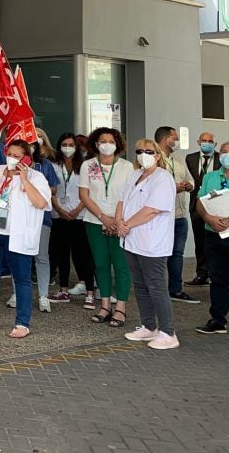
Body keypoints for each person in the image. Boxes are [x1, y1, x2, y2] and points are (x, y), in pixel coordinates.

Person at [0, 140, 51, 339]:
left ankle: (22, 322)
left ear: (27, 158)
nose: (12, 158)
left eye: (18, 155)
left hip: (18, 236)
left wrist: (25, 179)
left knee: (21, 278)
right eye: (10, 154)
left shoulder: (35, 177)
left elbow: (41, 203)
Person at [117, 139, 179, 349]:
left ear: (158, 155)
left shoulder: (163, 178)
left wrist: (126, 224)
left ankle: (168, 332)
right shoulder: (135, 175)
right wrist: (119, 222)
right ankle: (149, 326)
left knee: (156, 286)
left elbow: (152, 209)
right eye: (139, 151)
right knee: (141, 286)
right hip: (131, 239)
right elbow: (121, 200)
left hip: (152, 241)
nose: (144, 154)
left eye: (149, 151)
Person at [78, 127, 134, 328]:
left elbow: (129, 196)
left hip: (120, 222)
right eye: (103, 140)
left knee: (121, 266)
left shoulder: (127, 167)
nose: (107, 144)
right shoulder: (88, 165)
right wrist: (103, 217)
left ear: (117, 144)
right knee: (101, 264)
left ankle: (120, 307)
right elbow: (84, 195)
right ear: (96, 144)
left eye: (111, 140)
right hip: (94, 221)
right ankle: (104, 305)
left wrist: (116, 220)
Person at [12, 128, 59, 314]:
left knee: (41, 257)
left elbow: (53, 189)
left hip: (42, 219)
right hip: (18, 220)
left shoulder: (44, 165)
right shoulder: (10, 167)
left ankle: (43, 295)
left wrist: (34, 185)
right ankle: (17, 294)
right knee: (18, 256)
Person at [153, 126, 199, 304]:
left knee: (177, 254)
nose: (177, 141)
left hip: (180, 215)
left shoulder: (179, 159)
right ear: (166, 139)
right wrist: (174, 187)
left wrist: (189, 185)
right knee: (158, 255)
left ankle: (176, 290)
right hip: (161, 216)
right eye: (175, 138)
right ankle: (156, 290)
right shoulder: (154, 159)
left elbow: (191, 180)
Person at [49, 133, 95, 307]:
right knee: (62, 254)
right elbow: (51, 190)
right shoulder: (54, 166)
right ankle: (63, 290)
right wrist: (59, 209)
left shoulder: (85, 166)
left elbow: (89, 191)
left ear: (76, 147)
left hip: (80, 215)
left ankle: (90, 292)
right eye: (64, 144)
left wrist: (77, 210)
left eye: (71, 144)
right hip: (59, 215)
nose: (67, 148)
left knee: (83, 254)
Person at [195, 141, 229, 335]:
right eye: (223, 152)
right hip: (213, 233)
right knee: (217, 278)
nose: (226, 155)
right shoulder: (210, 177)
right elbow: (200, 202)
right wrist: (208, 218)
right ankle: (217, 319)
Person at [185, 131, 219, 287]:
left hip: (218, 207)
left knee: (218, 243)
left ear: (215, 143)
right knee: (200, 242)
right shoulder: (190, 158)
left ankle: (217, 274)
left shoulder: (221, 158)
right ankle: (202, 274)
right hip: (197, 207)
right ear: (198, 142)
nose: (207, 143)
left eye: (210, 141)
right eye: (204, 140)